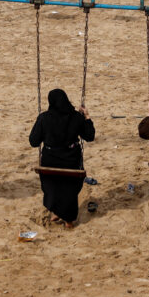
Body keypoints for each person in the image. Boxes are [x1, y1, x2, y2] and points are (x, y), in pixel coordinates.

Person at [29, 88, 96, 226]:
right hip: (71, 161)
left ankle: (56, 211)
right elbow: (89, 136)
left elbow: (33, 141)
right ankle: (68, 219)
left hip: (50, 162)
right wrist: (87, 117)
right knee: (69, 188)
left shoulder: (44, 118)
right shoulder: (76, 117)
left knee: (52, 185)